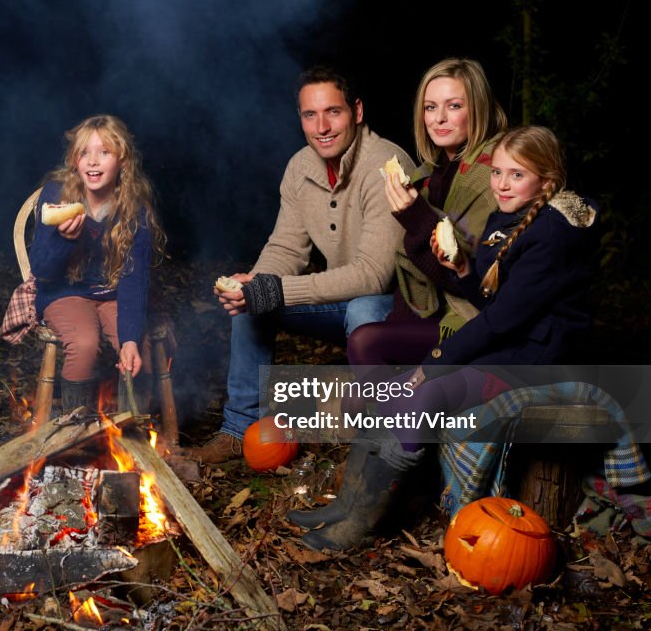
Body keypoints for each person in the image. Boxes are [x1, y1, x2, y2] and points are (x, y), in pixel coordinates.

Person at [289, 126, 603, 551]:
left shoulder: (552, 236)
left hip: (536, 359)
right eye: (497, 173)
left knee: (421, 395)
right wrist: (462, 273)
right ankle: (348, 504)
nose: (502, 185)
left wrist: (431, 365)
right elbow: (496, 301)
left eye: (517, 175)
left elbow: (501, 321)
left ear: (546, 183)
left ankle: (361, 526)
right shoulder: (505, 217)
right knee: (392, 389)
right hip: (508, 341)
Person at [184, 66, 415, 464]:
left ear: (357, 111)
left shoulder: (387, 164)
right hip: (344, 302)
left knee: (362, 307)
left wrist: (275, 290)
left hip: (396, 308)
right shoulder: (300, 166)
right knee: (252, 301)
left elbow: (373, 275)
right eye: (310, 115)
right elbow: (287, 247)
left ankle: (372, 447)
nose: (321, 126)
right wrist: (255, 282)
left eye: (333, 112)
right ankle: (240, 430)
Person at [347, 58, 508, 365]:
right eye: (430, 107)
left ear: (479, 108)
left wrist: (415, 215)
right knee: (362, 316)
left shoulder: (493, 174)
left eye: (454, 106)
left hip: (472, 318)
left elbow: (471, 282)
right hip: (431, 309)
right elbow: (415, 271)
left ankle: (393, 408)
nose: (439, 119)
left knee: (365, 342)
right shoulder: (428, 174)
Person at [28, 115, 166, 413]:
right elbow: (41, 270)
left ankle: (133, 441)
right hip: (65, 293)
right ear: (74, 160)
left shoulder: (134, 208)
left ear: (122, 161)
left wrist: (129, 339)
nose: (93, 161)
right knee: (85, 343)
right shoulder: (56, 196)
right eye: (84, 152)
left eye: (104, 152)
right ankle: (76, 436)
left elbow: (134, 279)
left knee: (136, 348)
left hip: (113, 293)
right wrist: (65, 240)